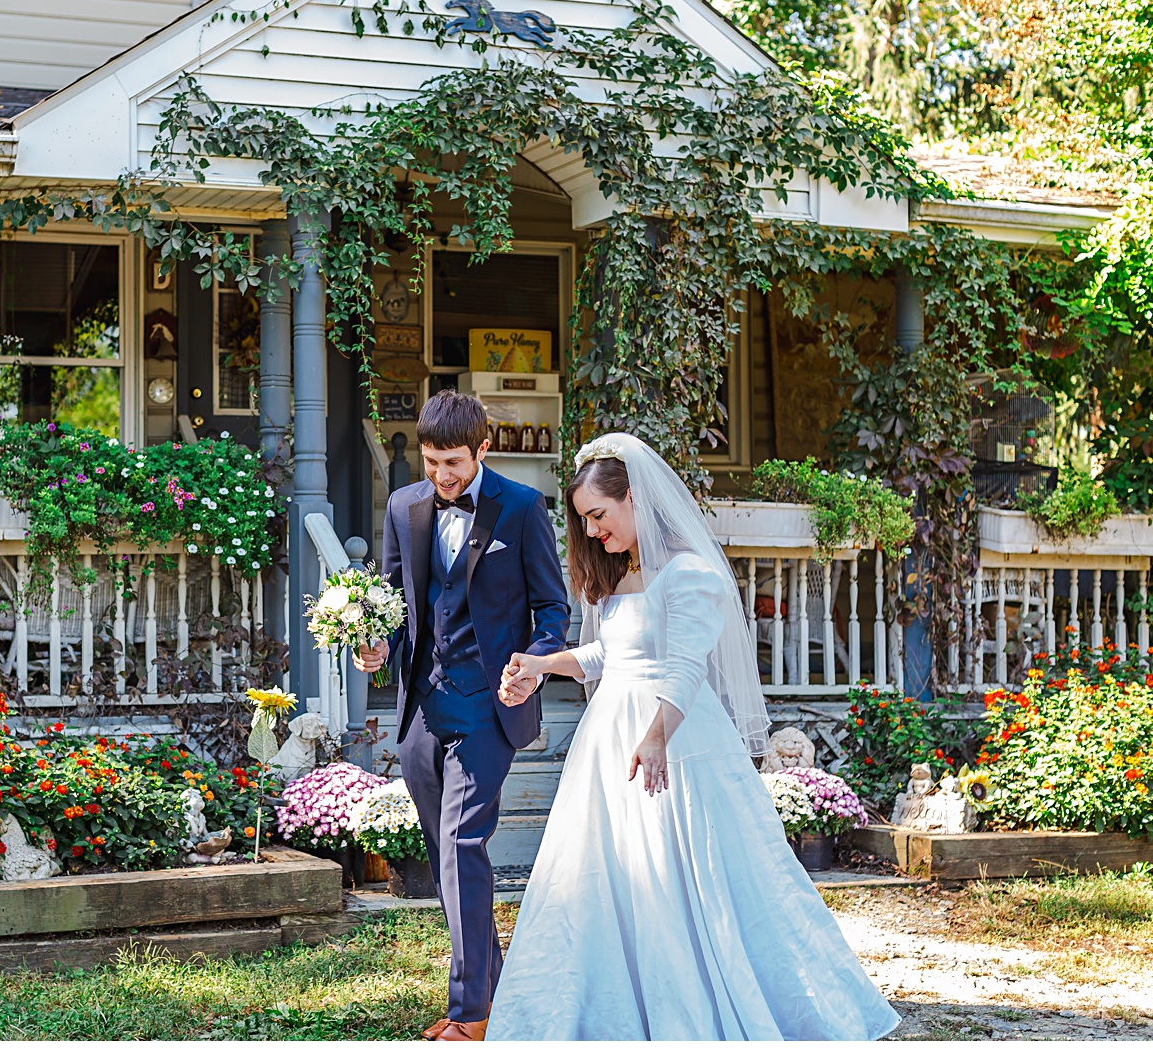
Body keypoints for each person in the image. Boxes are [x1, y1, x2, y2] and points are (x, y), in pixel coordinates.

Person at [485, 432, 900, 1041]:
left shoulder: (691, 574)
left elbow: (682, 667)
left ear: (633, 497)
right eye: (584, 521)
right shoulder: (623, 574)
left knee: (691, 874)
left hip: (674, 741)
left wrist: (655, 737)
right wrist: (545, 664)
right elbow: (610, 656)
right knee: (609, 877)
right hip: (608, 745)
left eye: (599, 515)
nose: (594, 531)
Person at [353, 390, 569, 1042]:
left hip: (490, 705)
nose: (441, 477)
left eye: (452, 463)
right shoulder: (402, 508)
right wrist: (375, 645)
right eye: (430, 463)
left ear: (482, 449)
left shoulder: (525, 509)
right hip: (423, 706)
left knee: (461, 844)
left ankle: (470, 1012)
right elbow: (393, 603)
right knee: (445, 855)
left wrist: (534, 661)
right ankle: (492, 986)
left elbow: (554, 611)